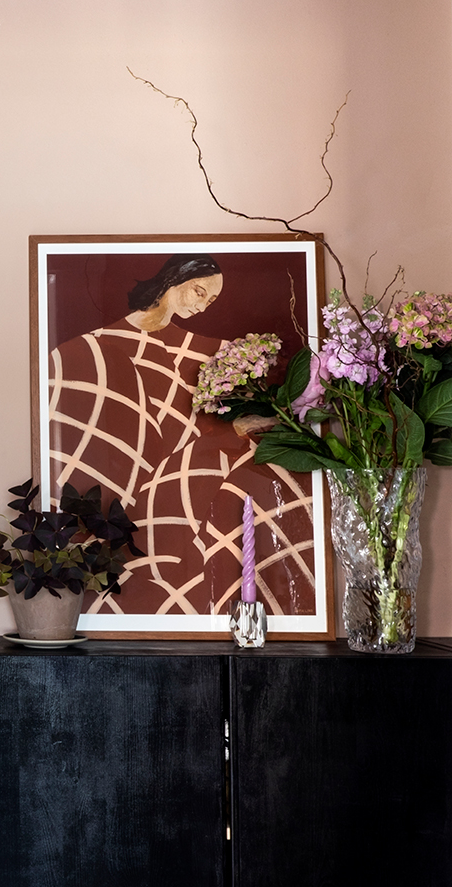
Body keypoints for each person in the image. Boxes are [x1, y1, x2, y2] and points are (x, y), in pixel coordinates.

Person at [48, 254, 316, 618]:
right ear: (173, 279)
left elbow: (249, 427)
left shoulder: (217, 354)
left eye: (211, 301)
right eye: (199, 291)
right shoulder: (90, 349)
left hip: (199, 491)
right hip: (124, 509)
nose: (203, 304)